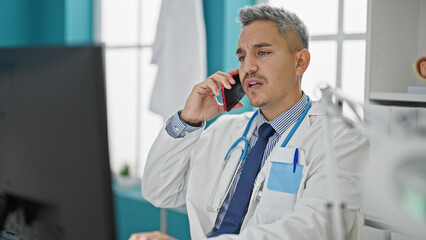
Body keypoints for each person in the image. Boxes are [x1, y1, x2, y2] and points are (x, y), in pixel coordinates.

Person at [131, 4, 369, 240]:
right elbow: (159, 192)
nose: (248, 67)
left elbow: (315, 229)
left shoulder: (341, 138)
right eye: (242, 57)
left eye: (262, 53)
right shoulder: (223, 131)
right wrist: (189, 120)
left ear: (300, 62)